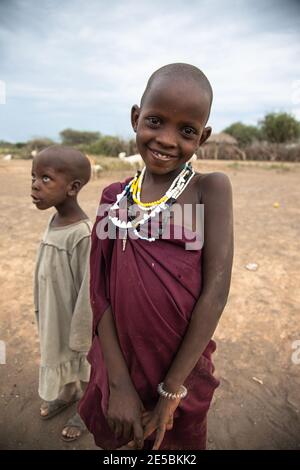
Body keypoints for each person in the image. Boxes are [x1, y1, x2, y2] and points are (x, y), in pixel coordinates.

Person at [79, 63, 234, 450]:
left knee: (174, 449)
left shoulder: (209, 190)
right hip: (120, 364)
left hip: (179, 368)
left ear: (203, 137)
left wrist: (170, 391)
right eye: (155, 121)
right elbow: (101, 295)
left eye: (186, 130)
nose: (166, 139)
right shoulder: (114, 198)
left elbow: (216, 291)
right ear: (135, 118)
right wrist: (118, 384)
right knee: (120, 447)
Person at [32, 145, 93, 442]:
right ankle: (68, 393)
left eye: (45, 179)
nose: (34, 185)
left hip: (74, 316)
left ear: (73, 188)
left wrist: (82, 332)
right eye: (33, 177)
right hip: (54, 309)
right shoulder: (55, 219)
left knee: (82, 360)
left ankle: (87, 408)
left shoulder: (82, 233)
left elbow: (88, 290)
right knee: (56, 350)